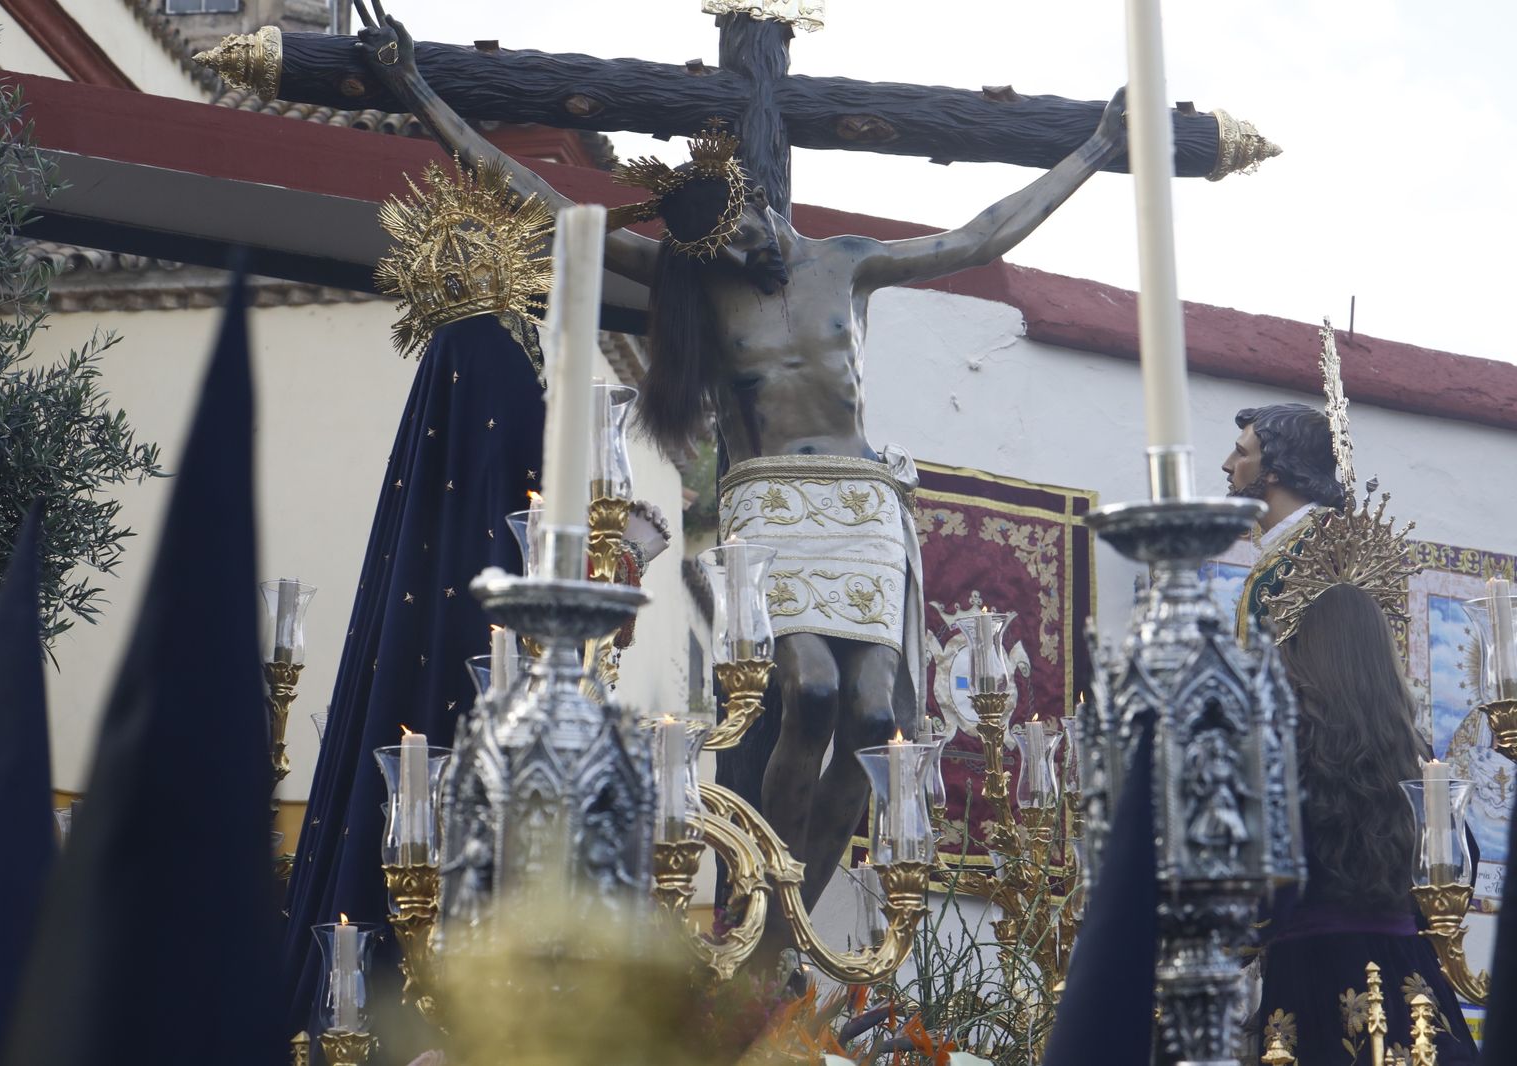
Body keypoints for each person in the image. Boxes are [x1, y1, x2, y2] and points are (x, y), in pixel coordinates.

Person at [349, 0, 1128, 923]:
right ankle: (765, 913)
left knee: (876, 720)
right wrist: (421, 92)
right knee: (810, 690)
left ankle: (794, 924)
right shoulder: (699, 283)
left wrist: (1092, 151)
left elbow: (980, 235)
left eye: (745, 235)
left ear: (759, 200)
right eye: (717, 250)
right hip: (770, 506)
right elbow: (543, 200)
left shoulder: (848, 263)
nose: (743, 254)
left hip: (863, 507)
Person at [1256, 583, 1477, 1064]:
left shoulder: (1281, 751)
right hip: (1412, 984)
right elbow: (1454, 871)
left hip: (1306, 984)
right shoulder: (1416, 757)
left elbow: (1258, 892)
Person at [1222, 403, 1346, 639]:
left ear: (1275, 470)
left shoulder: (1320, 549)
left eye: (1242, 453)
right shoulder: (1291, 545)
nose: (1227, 465)